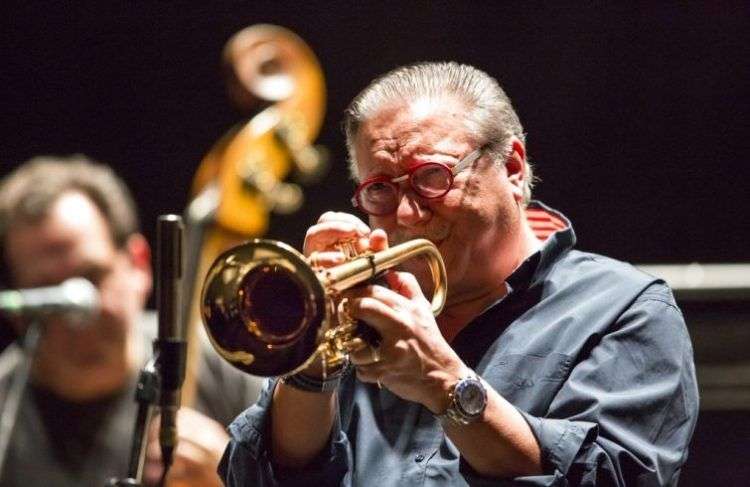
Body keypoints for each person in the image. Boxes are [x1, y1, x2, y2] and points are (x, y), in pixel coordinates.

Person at [218, 62, 699, 486]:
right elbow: (259, 476)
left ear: (511, 167)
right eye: (380, 190)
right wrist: (311, 363)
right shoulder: (354, 312)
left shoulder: (625, 309)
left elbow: (610, 477)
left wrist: (442, 382)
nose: (405, 215)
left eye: (431, 177)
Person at [0, 156, 263, 486]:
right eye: (47, 290)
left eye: (91, 277)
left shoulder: (229, 363)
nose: (75, 312)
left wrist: (236, 477)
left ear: (138, 264)